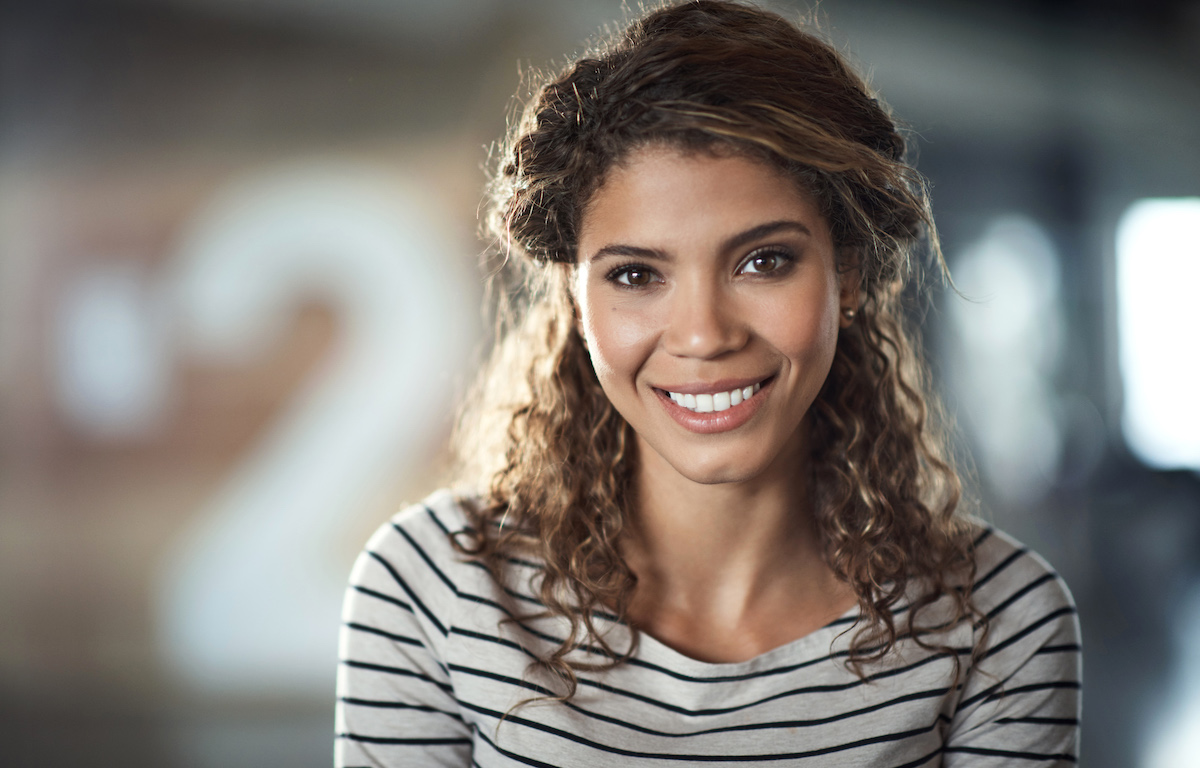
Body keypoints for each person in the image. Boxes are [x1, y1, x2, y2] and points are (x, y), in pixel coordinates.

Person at [334, 1, 1081, 765]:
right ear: (573, 298)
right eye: (634, 274)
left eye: (763, 261)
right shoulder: (431, 589)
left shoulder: (1001, 620)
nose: (703, 334)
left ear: (848, 272)